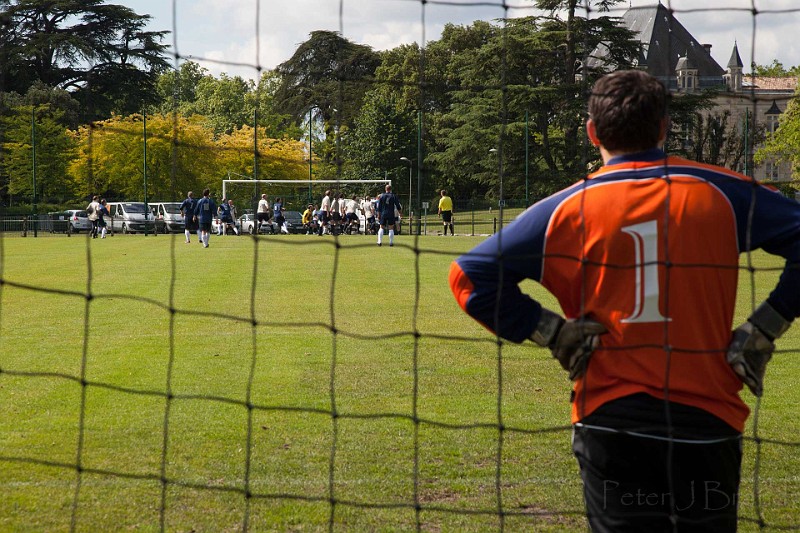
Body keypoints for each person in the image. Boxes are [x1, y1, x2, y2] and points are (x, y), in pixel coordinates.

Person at [449, 70, 800, 531]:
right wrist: (765, 326)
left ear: (592, 131)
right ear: (664, 128)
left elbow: (468, 275)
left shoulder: (565, 209)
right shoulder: (721, 191)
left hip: (610, 420)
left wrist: (550, 332)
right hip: (705, 418)